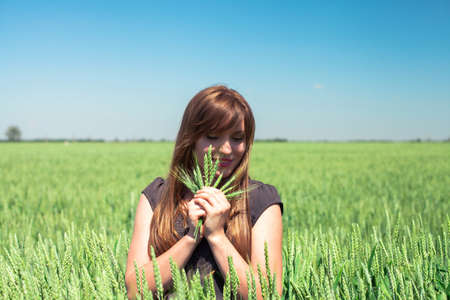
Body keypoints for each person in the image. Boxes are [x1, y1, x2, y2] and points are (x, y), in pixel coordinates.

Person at [125, 85, 283, 299]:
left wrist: (217, 236)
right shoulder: (156, 197)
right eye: (213, 136)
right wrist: (191, 237)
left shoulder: (261, 201)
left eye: (237, 138)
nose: (226, 149)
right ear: (191, 138)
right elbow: (135, 289)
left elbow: (268, 295)